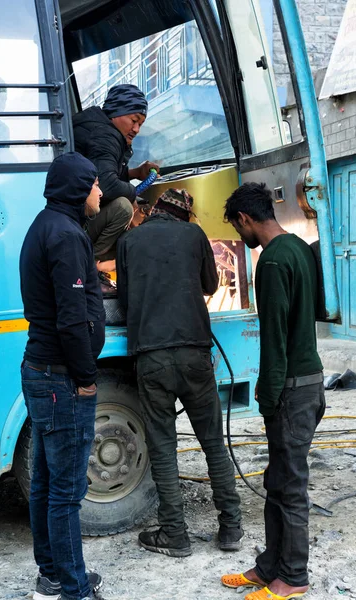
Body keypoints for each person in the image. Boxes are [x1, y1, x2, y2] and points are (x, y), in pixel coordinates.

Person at [117, 188, 243, 557]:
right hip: (194, 354)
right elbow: (210, 285)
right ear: (184, 215)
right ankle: (231, 528)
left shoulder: (129, 240)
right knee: (212, 442)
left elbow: (124, 300)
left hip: (151, 356)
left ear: (154, 209)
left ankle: (175, 534)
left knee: (163, 447)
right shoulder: (194, 235)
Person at [221, 182, 325, 600]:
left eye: (236, 227)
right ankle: (269, 566)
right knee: (278, 479)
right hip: (307, 382)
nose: (240, 238)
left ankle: (293, 577)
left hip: (292, 388)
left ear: (245, 219)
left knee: (291, 485)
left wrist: (267, 397)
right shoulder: (299, 248)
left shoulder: (272, 262)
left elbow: (275, 339)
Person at [20, 152, 106, 600]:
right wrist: (86, 376)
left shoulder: (44, 225)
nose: (101, 192)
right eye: (94, 184)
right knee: (67, 493)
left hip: (41, 371)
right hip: (61, 380)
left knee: (46, 483)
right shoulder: (66, 235)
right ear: (77, 188)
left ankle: (52, 574)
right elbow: (73, 320)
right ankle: (75, 590)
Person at [73, 83, 159, 274]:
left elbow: (101, 170)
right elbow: (107, 185)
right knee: (123, 208)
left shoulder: (98, 127)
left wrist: (134, 173)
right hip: (76, 222)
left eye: (140, 124)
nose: (136, 129)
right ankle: (87, 269)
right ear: (117, 111)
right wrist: (134, 198)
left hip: (74, 219)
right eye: (133, 120)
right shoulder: (104, 135)